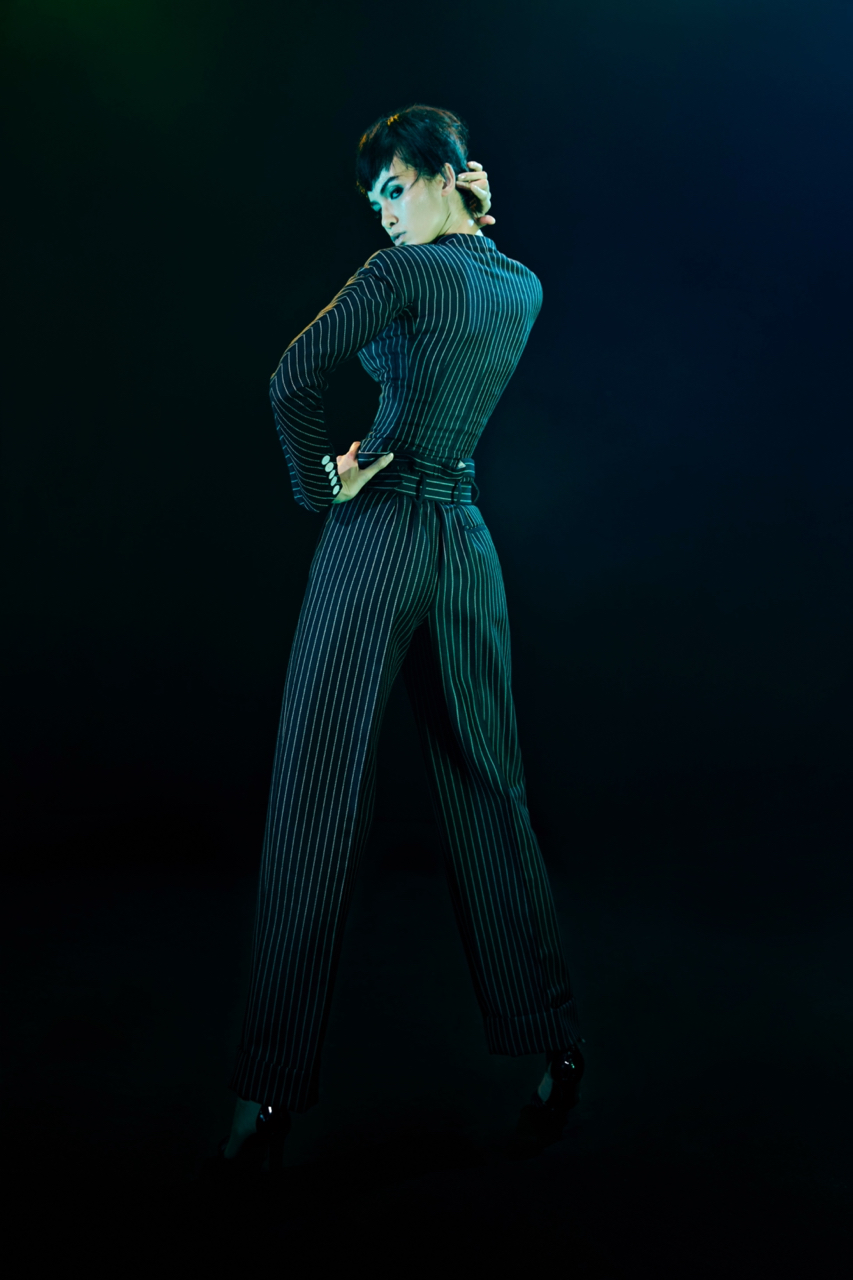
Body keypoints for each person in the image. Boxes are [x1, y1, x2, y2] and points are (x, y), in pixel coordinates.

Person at [214, 104, 585, 1173]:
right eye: (373, 199)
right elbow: (441, 349)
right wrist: (476, 224)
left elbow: (292, 377)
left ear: (444, 173)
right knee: (490, 791)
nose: (381, 213)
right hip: (464, 543)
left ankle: (266, 1097)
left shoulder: (399, 274)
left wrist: (320, 482)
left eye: (393, 187)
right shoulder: (521, 286)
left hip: (377, 533)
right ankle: (557, 1047)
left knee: (315, 793)